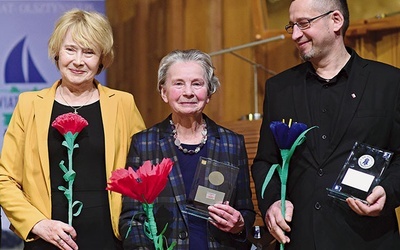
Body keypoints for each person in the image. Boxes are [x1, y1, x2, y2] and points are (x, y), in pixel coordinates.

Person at [251, 0, 400, 249]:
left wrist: (388, 191)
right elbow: (266, 161)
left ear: (336, 21)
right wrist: (273, 203)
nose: (295, 34)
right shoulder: (280, 89)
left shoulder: (389, 83)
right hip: (300, 238)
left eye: (304, 24)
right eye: (292, 26)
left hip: (367, 239)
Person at [0, 9, 145, 250]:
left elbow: (142, 173)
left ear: (102, 59)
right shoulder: (29, 104)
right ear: (57, 52)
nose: (78, 60)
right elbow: (5, 179)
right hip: (46, 239)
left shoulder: (123, 103)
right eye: (70, 49)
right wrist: (37, 223)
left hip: (109, 239)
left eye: (89, 52)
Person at [119, 49, 255, 249]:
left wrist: (239, 225)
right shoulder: (144, 144)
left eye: (197, 83)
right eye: (178, 83)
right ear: (164, 92)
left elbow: (246, 211)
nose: (188, 92)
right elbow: (132, 218)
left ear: (209, 93)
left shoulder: (232, 143)